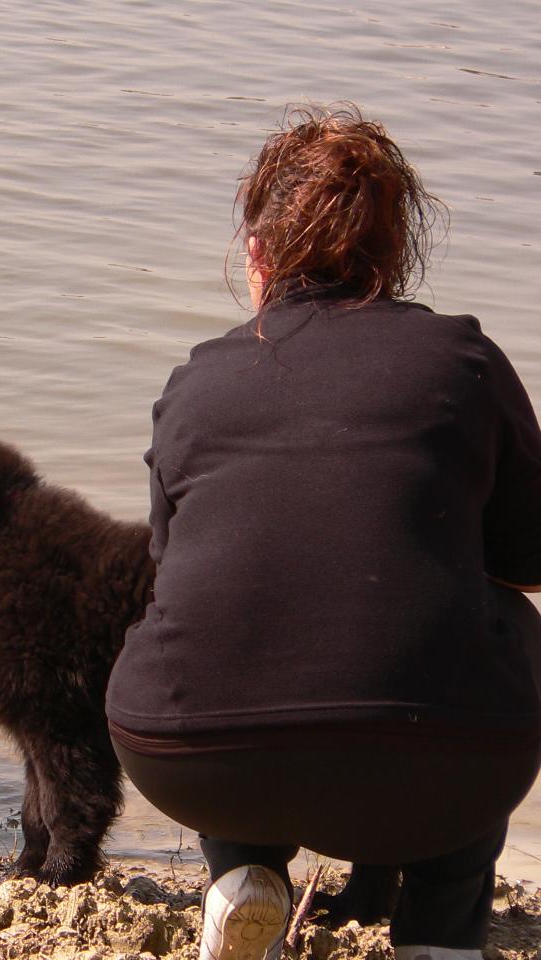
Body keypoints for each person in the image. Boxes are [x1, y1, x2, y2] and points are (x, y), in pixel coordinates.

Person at [105, 103, 541, 960]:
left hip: (191, 756)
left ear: (256, 254)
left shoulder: (196, 381)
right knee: (501, 630)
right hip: (437, 764)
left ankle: (244, 870)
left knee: (226, 615)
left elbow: (176, 572)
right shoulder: (462, 362)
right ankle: (441, 926)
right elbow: (531, 558)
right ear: (394, 255)